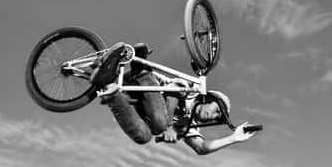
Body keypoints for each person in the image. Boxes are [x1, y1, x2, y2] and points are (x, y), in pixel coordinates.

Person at [89, 43, 257, 154]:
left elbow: (201, 147)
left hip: (129, 98)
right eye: (217, 110)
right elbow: (173, 90)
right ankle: (139, 66)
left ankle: (112, 95)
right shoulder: (192, 91)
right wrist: (168, 127)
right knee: (161, 124)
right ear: (208, 99)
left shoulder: (187, 123)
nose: (214, 116)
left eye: (218, 118)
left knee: (144, 137)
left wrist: (234, 138)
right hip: (141, 80)